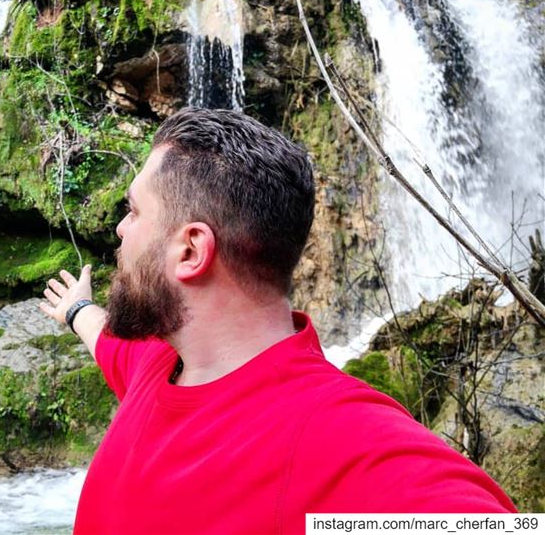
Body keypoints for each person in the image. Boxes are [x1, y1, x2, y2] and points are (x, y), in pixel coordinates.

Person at [39, 108, 515, 534]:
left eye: (134, 211)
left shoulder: (334, 436)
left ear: (190, 251)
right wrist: (78, 310)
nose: (121, 229)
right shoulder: (162, 363)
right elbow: (107, 340)